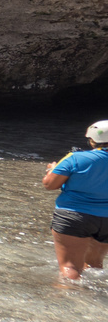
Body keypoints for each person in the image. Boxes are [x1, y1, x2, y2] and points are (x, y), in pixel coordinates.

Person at [43, 120, 108, 280]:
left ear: (92, 140)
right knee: (95, 266)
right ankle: (91, 301)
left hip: (74, 216)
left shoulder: (75, 158)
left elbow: (50, 184)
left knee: (70, 267)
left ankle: (67, 301)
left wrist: (52, 170)